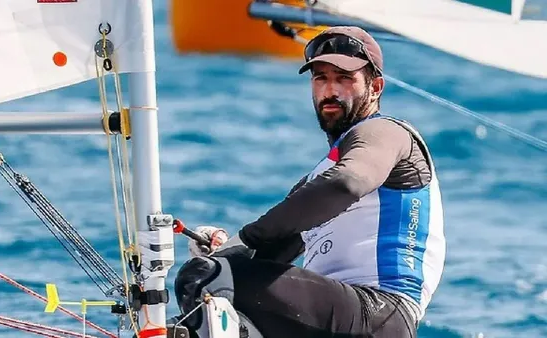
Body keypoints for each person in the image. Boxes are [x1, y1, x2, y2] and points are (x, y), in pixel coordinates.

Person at [171, 26, 446, 338]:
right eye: (321, 78)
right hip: (337, 318)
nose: (331, 90)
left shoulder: (386, 133)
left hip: (380, 314)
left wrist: (243, 241)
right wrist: (225, 246)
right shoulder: (318, 179)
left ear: (376, 87)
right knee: (211, 290)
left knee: (204, 278)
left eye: (344, 78)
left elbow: (345, 184)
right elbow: (268, 256)